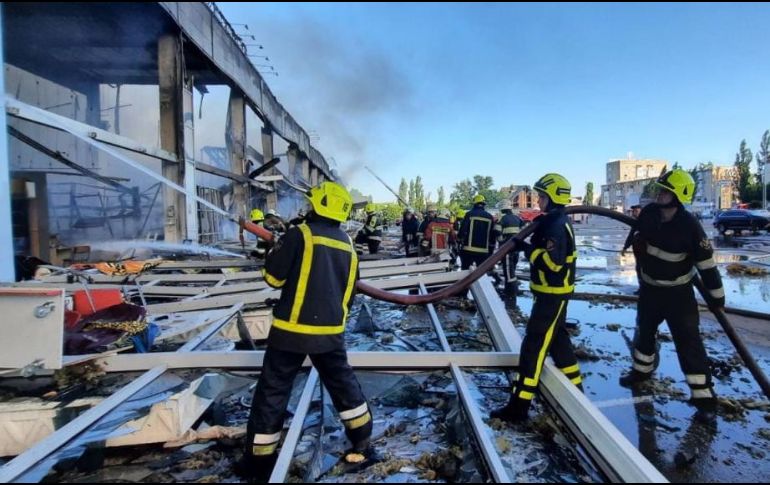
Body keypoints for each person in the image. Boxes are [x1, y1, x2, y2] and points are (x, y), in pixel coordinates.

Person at [241, 182, 372, 481]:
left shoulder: (300, 234)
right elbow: (349, 294)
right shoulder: (349, 246)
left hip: (290, 332)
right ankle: (363, 440)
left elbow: (273, 279)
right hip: (331, 332)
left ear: (317, 206)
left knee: (273, 391)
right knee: (344, 385)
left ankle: (259, 462)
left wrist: (272, 249)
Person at [619, 169, 725, 423]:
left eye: (665, 191)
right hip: (650, 291)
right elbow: (635, 235)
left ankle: (704, 398)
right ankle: (641, 372)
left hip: (679, 295)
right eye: (659, 190)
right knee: (644, 333)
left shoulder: (690, 226)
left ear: (679, 195)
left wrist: (716, 297)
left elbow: (707, 265)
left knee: (689, 344)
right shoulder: (649, 214)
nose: (659, 194)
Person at [491, 174, 581, 423]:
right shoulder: (551, 221)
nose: (538, 200)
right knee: (559, 341)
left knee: (533, 348)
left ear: (552, 198)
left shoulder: (555, 226)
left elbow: (553, 263)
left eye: (541, 196)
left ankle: (519, 406)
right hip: (550, 293)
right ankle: (577, 393)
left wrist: (527, 249)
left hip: (552, 295)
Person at [457, 194, 498, 270]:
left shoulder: (469, 214)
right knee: (482, 273)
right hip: (483, 251)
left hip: (468, 249)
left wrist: (459, 240)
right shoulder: (489, 217)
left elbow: (463, 230)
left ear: (474, 204)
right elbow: (493, 234)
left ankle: (466, 282)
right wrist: (491, 249)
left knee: (465, 272)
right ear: (483, 204)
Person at [495, 200, 525, 297]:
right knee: (512, 269)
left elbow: (497, 232)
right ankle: (510, 290)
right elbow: (524, 230)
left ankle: (511, 292)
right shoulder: (518, 218)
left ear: (503, 209)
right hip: (516, 248)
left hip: (507, 248)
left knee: (508, 270)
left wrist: (501, 243)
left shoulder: (502, 219)